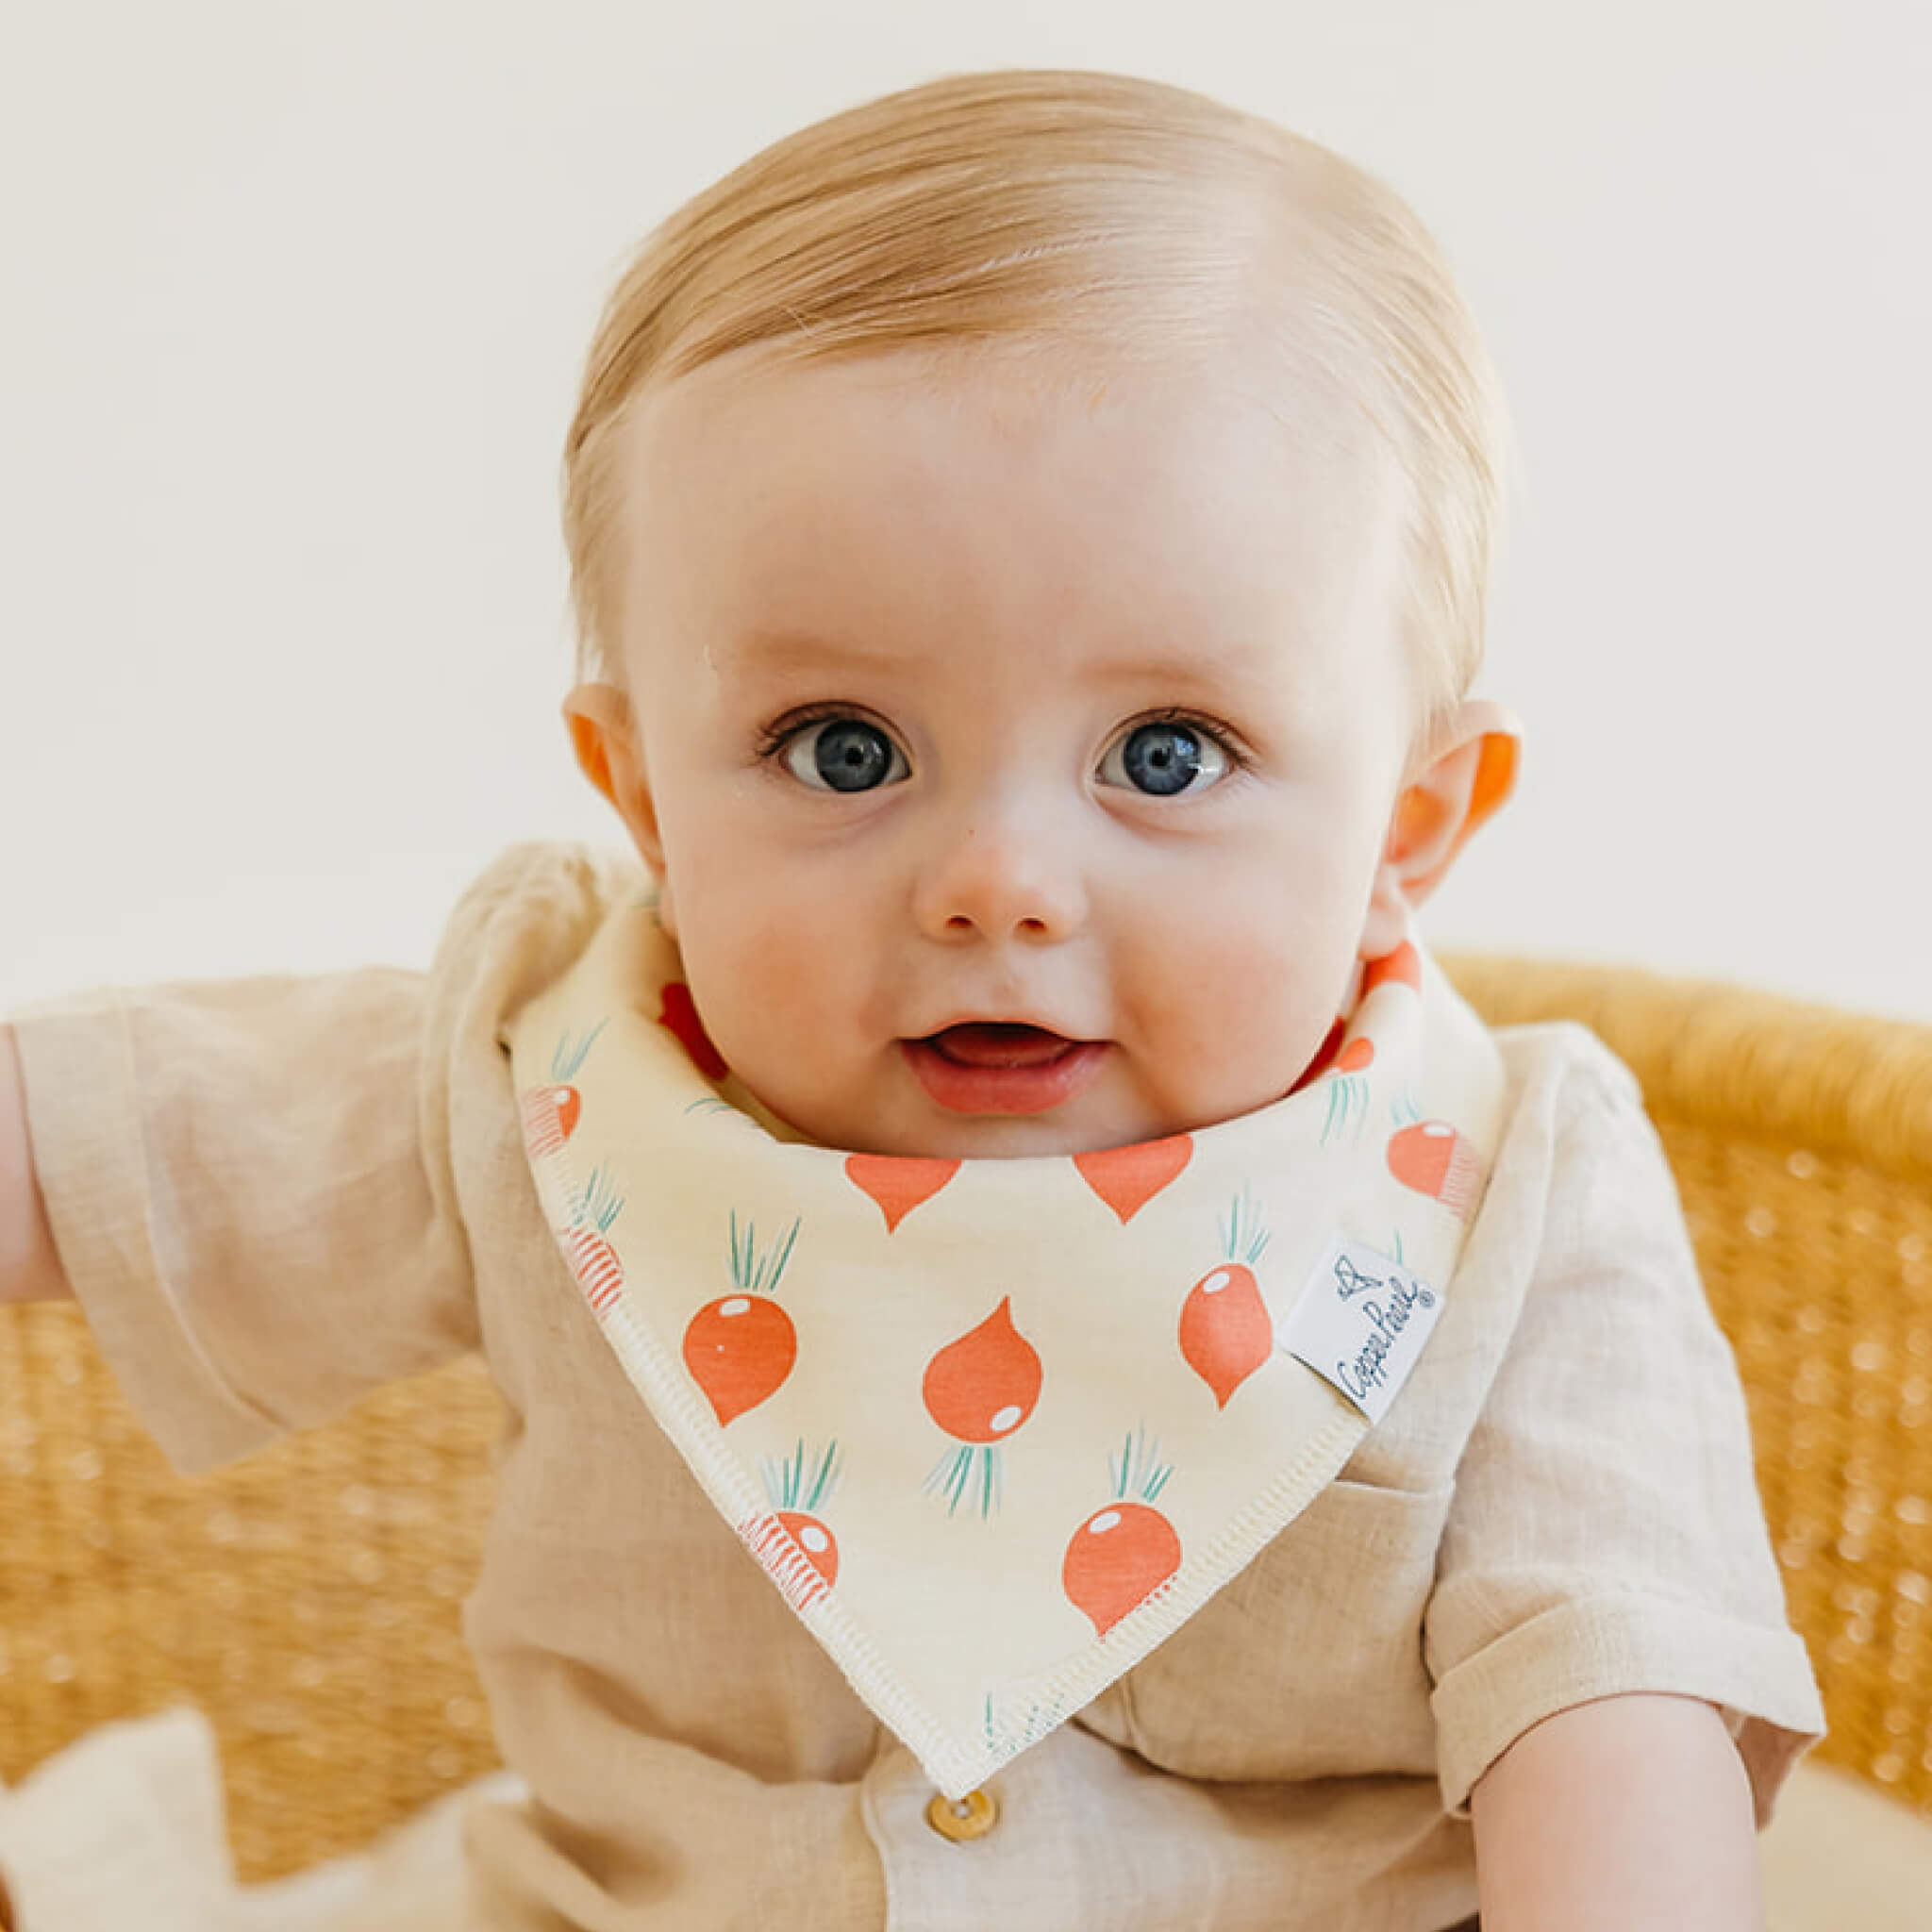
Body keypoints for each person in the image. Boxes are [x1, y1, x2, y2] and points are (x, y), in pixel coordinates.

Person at [0, 66, 1823, 1931]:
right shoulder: (539, 1077)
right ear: (638, 795)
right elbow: (110, 1147)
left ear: (1406, 826)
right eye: (844, 746)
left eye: (1168, 753)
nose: (995, 884)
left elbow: (1610, 1683)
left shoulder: (1506, 1187)